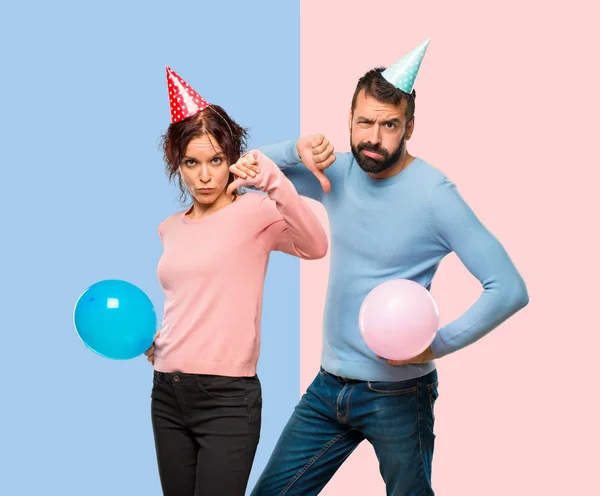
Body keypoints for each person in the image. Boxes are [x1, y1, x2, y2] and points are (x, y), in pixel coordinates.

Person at [230, 41, 529, 495]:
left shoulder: (434, 195)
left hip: (398, 395)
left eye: (389, 125)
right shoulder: (337, 173)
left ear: (410, 127)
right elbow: (243, 175)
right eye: (364, 122)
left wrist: (437, 345)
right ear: (348, 121)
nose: (374, 137)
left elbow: (507, 288)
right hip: (329, 386)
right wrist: (296, 148)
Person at [144, 66, 328, 496]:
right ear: (178, 163)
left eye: (215, 161)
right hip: (167, 392)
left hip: (227, 400)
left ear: (231, 160)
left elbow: (315, 246)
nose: (204, 175)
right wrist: (156, 342)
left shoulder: (255, 212)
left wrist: (274, 182)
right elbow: (189, 298)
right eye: (192, 162)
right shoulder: (169, 226)